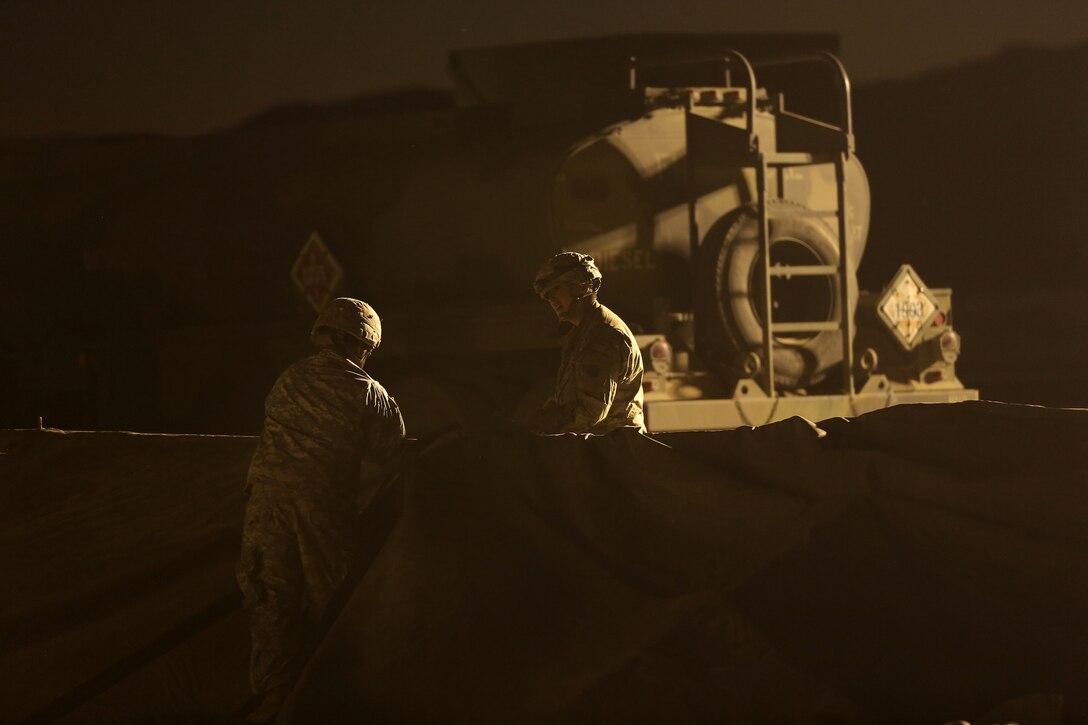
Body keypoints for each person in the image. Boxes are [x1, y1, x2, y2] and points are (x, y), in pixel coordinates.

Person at [236, 297, 406, 721]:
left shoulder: (288, 379)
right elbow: (394, 453)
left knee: (271, 597)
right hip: (320, 508)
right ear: (363, 345)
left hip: (265, 504)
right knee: (334, 602)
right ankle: (333, 702)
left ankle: (276, 701)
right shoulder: (367, 390)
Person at [532, 252, 646, 435]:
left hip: (614, 450)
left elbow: (590, 411)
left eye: (557, 289)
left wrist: (544, 427)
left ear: (582, 287)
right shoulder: (582, 332)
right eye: (548, 294)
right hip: (602, 449)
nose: (551, 299)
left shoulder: (603, 336)